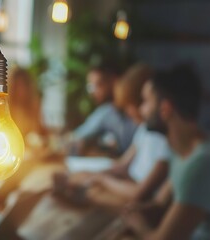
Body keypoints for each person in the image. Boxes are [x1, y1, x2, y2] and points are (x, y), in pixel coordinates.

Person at [54, 63, 171, 209]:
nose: (141, 109)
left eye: (145, 102)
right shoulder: (144, 130)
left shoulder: (166, 142)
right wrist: (91, 176)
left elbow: (139, 194)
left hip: (131, 197)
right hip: (124, 187)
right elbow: (122, 165)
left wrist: (101, 179)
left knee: (82, 199)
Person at [124, 64, 210, 240]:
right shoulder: (182, 151)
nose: (141, 110)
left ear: (166, 109)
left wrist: (136, 223)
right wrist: (133, 212)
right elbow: (160, 204)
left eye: (146, 102)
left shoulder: (201, 163)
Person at [70, 62, 137, 156]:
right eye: (91, 87)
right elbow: (77, 137)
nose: (93, 92)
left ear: (114, 81)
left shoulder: (136, 113)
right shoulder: (106, 112)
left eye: (98, 85)